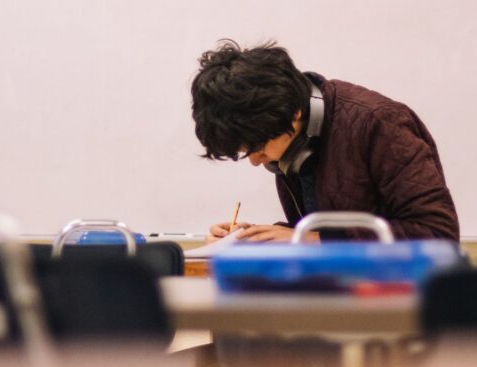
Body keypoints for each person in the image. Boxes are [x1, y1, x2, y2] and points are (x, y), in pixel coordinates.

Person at [191, 40, 459, 244]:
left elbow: (438, 234)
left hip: (399, 305)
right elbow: (326, 229)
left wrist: (312, 241)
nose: (254, 161)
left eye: (258, 148)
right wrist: (255, 239)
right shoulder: (295, 142)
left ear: (293, 113)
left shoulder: (379, 122)